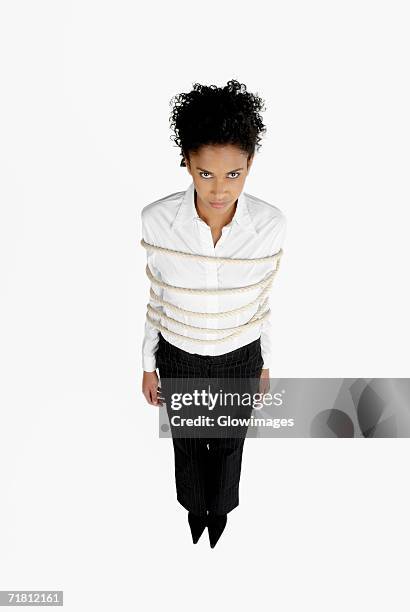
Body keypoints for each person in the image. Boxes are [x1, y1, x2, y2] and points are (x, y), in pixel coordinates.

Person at [141, 79, 287, 548]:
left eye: (234, 175)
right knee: (186, 443)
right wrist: (149, 363)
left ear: (250, 166)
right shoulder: (156, 219)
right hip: (179, 355)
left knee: (228, 444)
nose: (219, 190)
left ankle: (220, 510)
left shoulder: (270, 224)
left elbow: (262, 300)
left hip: (238, 354)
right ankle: (192, 508)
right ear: (187, 161)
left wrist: (263, 361)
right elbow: (157, 296)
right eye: (205, 174)